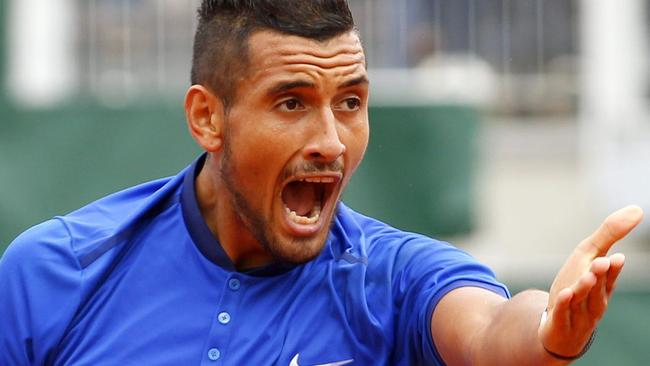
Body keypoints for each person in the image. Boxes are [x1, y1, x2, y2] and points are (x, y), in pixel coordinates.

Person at [0, 1, 643, 365]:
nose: (331, 141)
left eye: (351, 102)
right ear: (207, 117)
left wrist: (550, 337)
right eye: (291, 103)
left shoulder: (394, 279)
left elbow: (489, 329)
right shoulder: (54, 272)